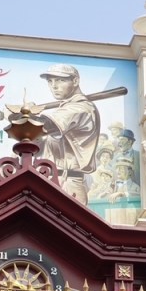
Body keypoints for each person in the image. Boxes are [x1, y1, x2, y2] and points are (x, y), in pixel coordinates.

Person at [37, 64, 100, 204]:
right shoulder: (64, 109)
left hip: (68, 183)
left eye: (60, 80)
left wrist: (23, 114)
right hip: (51, 179)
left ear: (75, 81)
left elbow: (44, 125)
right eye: (50, 81)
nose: (54, 86)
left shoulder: (81, 107)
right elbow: (36, 146)